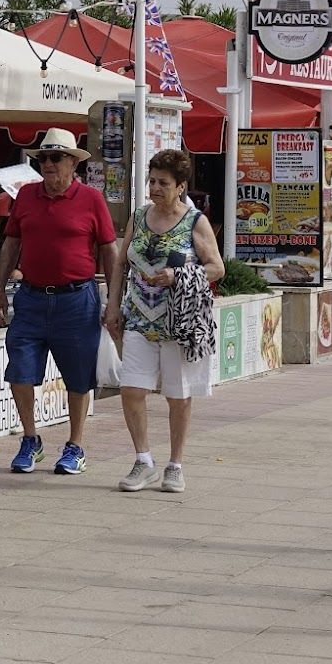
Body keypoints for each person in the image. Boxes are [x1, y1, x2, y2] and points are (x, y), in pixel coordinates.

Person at [0, 127, 117, 476]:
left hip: (77, 299)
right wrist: (0, 289)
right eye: (43, 158)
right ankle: (31, 439)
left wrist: (112, 299)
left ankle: (75, 445)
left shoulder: (91, 199)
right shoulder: (27, 197)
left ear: (72, 163)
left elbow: (109, 248)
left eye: (55, 157)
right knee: (19, 370)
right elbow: (10, 245)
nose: (47, 164)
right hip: (31, 298)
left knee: (78, 379)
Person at [107, 149, 224, 494]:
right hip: (139, 318)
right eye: (152, 181)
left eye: (163, 183)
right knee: (131, 389)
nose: (155, 188)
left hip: (179, 322)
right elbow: (120, 264)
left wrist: (178, 274)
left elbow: (217, 266)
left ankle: (175, 464)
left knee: (178, 394)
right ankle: (143, 460)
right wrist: (113, 306)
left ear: (181, 186)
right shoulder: (139, 216)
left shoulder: (194, 221)